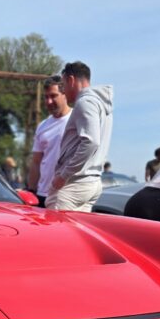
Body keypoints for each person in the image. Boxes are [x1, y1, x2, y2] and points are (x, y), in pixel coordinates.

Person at [48, 61, 113, 212]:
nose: (63, 92)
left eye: (63, 85)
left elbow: (91, 142)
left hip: (74, 184)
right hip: (92, 181)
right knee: (75, 234)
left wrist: (63, 175)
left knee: (56, 233)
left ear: (71, 80)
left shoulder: (85, 102)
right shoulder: (101, 104)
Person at [27, 75, 71, 204]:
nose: (49, 101)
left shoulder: (76, 120)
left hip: (65, 194)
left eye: (53, 96)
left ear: (65, 94)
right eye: (46, 97)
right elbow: (36, 162)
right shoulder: (42, 126)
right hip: (42, 194)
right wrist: (31, 190)